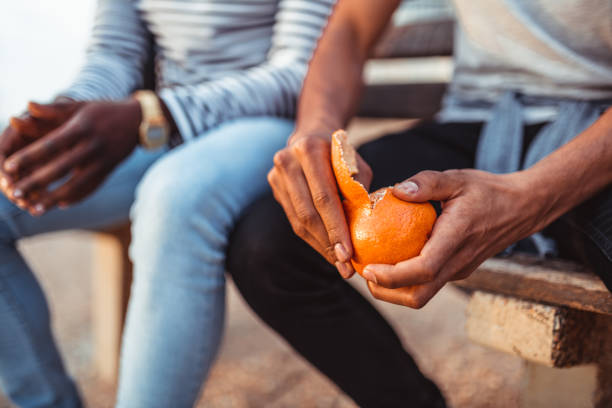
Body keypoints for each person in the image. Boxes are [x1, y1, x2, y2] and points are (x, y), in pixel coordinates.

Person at [226, 0, 612, 406]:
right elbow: (352, 26)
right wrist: (317, 129)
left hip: (598, 131)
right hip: (477, 120)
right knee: (266, 246)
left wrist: (533, 195)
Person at [0, 0, 335, 406]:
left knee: (174, 197)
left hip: (271, 124)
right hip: (161, 127)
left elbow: (301, 73)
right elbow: (114, 54)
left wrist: (156, 111)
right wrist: (69, 116)